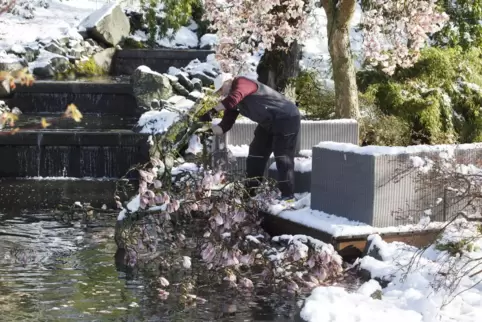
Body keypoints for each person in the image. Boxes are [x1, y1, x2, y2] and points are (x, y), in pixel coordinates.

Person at [198, 73, 301, 202]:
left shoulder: (242, 82)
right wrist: (207, 132)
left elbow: (234, 98)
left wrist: (212, 112)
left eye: (220, 90)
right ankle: (250, 193)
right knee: (256, 154)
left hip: (286, 118)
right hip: (267, 122)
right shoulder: (232, 103)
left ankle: (288, 196)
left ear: (227, 82)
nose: (220, 94)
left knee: (282, 155)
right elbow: (225, 126)